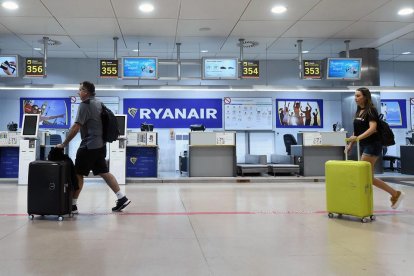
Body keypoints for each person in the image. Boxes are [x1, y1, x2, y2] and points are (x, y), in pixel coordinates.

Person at [57, 81, 131, 213]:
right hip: (100, 145)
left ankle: (72, 206)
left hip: (89, 146)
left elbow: (76, 126)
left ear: (86, 92)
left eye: (80, 90)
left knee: (78, 174)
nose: (78, 92)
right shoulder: (98, 103)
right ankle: (122, 198)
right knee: (104, 172)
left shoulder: (85, 105)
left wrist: (64, 143)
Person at [346, 87, 404, 209]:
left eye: (358, 96)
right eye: (355, 96)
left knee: (362, 174)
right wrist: (350, 144)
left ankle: (360, 201)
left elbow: (372, 129)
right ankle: (395, 194)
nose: (356, 98)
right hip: (364, 145)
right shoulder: (358, 112)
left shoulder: (371, 111)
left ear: (365, 97)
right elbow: (355, 132)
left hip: (373, 145)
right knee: (368, 177)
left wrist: (357, 139)